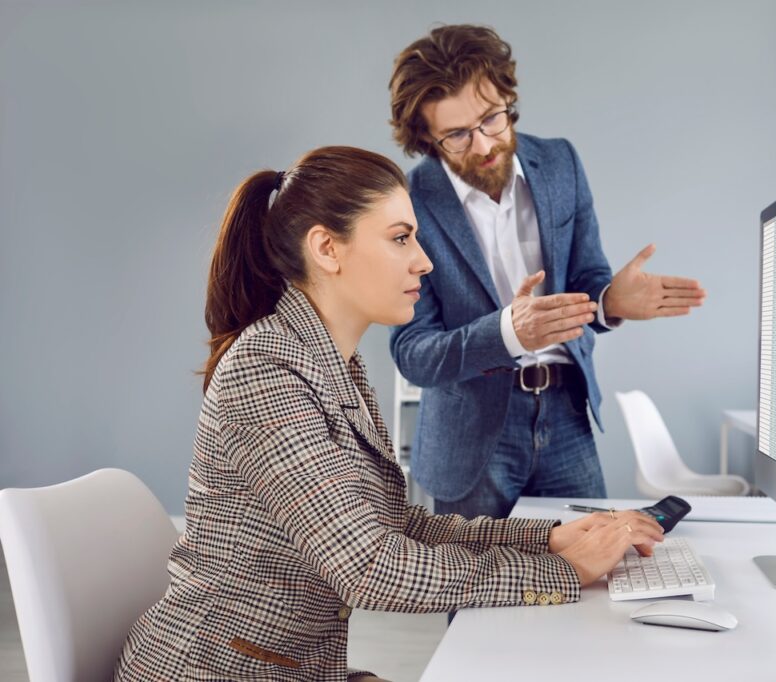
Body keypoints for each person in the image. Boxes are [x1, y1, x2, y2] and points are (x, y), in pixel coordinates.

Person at [112, 146, 663, 681]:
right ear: (327, 249)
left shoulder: (330, 361)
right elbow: (369, 568)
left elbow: (396, 527)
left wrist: (548, 540)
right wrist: (560, 573)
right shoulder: (267, 371)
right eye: (401, 238)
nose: (424, 261)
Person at [388, 25, 708, 520]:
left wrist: (608, 302)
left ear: (507, 101)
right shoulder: (408, 202)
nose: (482, 145)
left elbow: (588, 278)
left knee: (598, 572)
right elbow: (412, 353)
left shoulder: (561, 163)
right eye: (456, 135)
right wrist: (505, 333)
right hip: (470, 437)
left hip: (567, 416)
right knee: (479, 590)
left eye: (492, 119)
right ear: (427, 140)